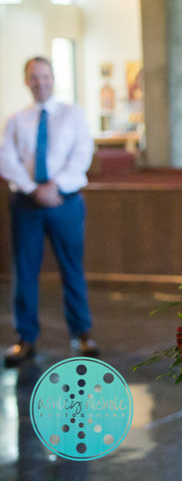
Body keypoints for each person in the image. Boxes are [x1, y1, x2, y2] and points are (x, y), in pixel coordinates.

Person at [0, 57, 98, 366]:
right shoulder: (17, 120)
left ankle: (82, 334)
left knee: (72, 268)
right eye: (33, 77)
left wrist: (55, 186)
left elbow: (82, 153)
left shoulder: (73, 115)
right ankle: (25, 339)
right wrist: (33, 189)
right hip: (26, 203)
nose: (40, 82)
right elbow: (7, 159)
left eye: (44, 76)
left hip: (64, 202)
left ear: (53, 78)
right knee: (25, 271)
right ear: (26, 81)